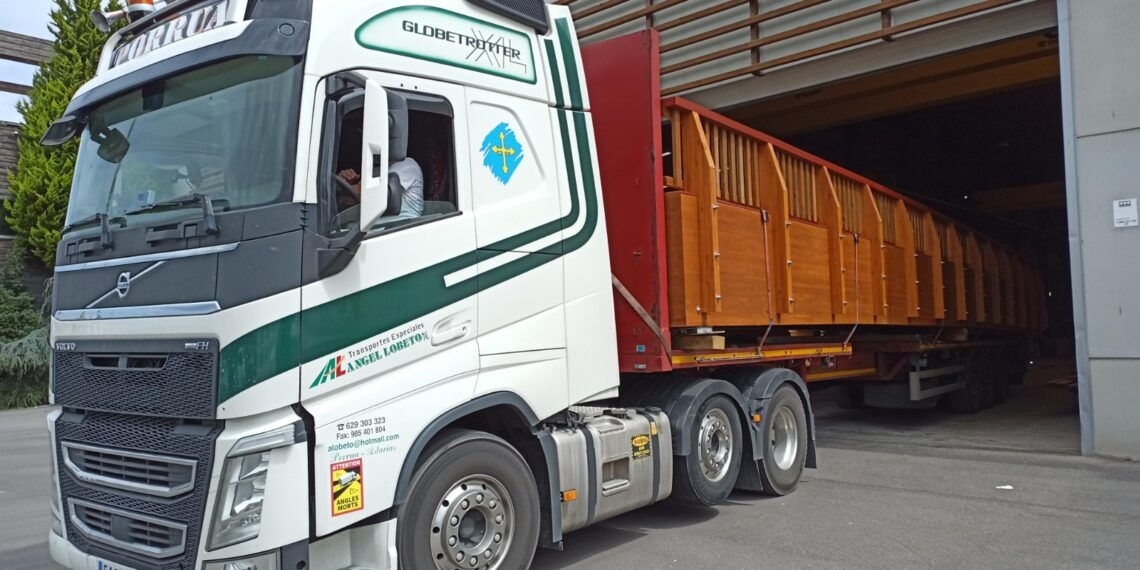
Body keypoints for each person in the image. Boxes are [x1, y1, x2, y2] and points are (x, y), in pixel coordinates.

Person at [337, 156, 424, 220]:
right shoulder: (374, 171)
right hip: (371, 234)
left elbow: (370, 194)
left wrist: (338, 187)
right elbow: (348, 199)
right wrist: (343, 182)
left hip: (399, 232)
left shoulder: (407, 165)